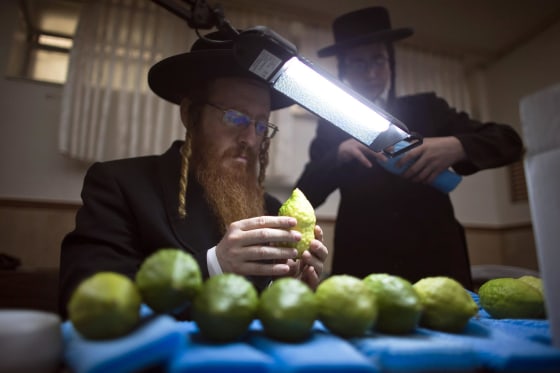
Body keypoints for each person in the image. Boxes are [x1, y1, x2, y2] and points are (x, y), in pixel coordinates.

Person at [59, 30, 328, 318]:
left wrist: (288, 292)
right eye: (235, 117)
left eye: (261, 125)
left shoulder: (274, 212)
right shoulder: (120, 186)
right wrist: (213, 266)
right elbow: (85, 301)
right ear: (190, 115)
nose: (250, 138)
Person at [295, 7, 523, 289]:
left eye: (378, 60)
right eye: (358, 63)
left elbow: (509, 140)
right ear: (344, 69)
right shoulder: (332, 125)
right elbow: (306, 192)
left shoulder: (427, 108)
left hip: (436, 259)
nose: (371, 73)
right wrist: (338, 155)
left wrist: (457, 146)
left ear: (390, 62)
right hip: (363, 263)